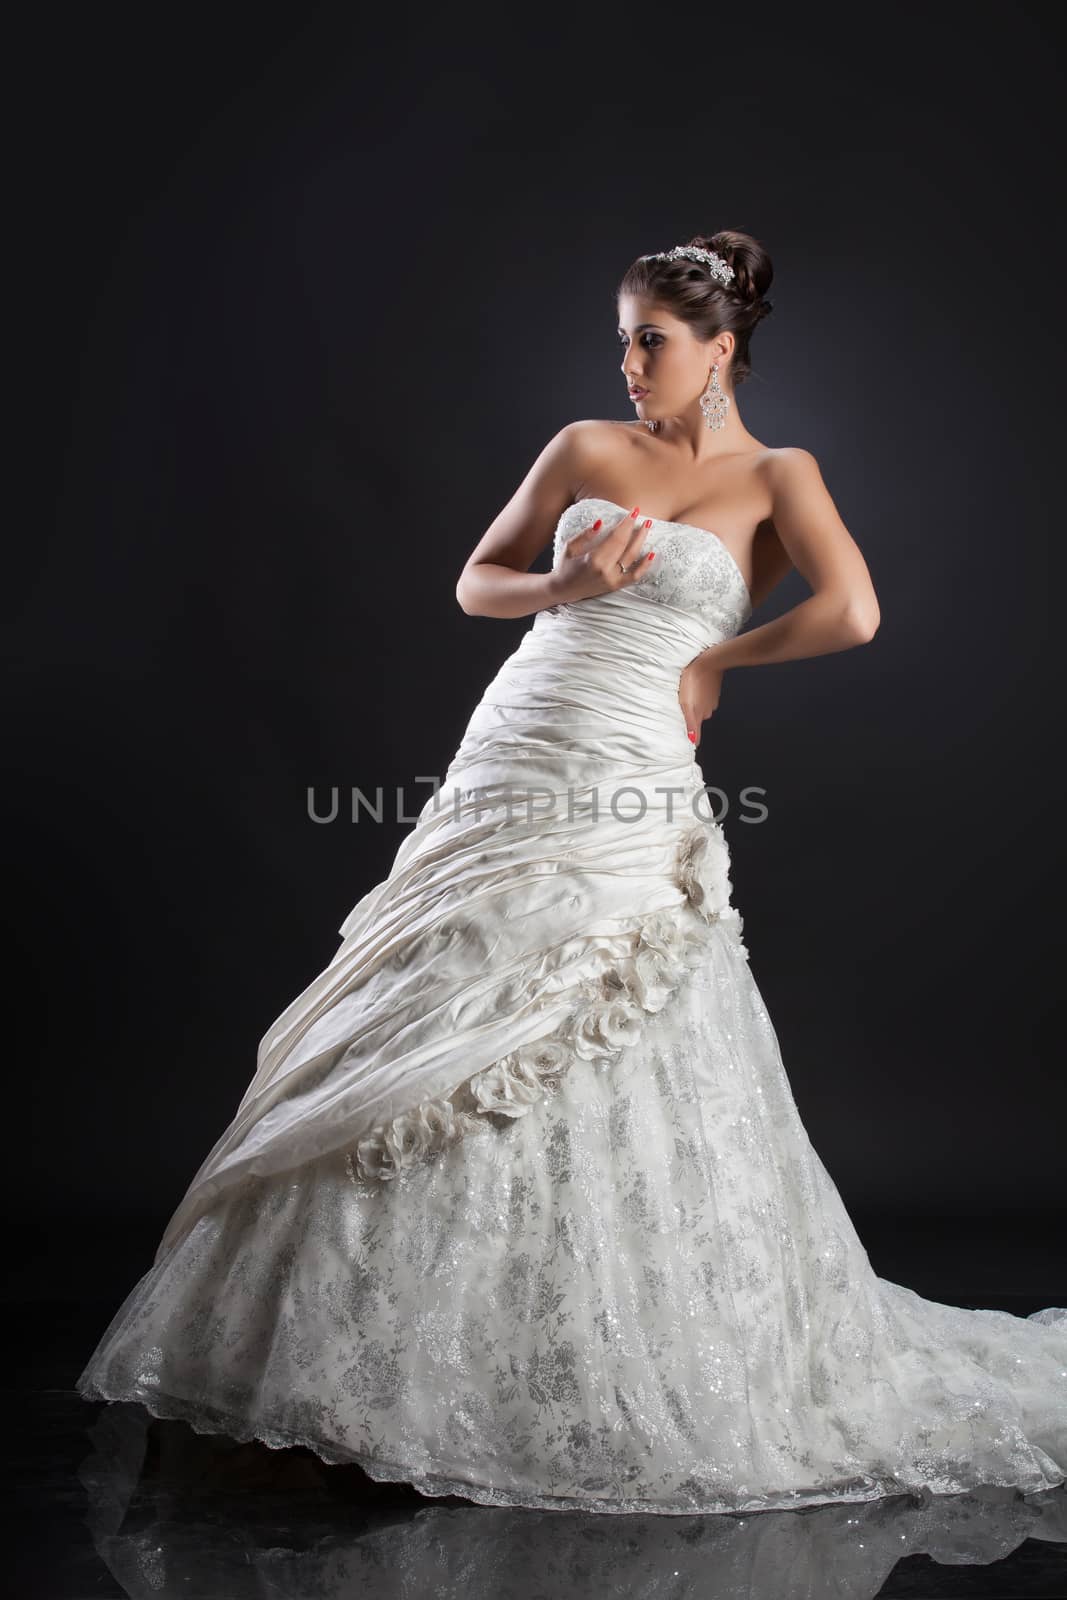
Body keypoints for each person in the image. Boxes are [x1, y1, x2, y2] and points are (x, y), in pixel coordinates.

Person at [76, 230, 1067, 1516]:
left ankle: (567, 1352)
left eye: (650, 338)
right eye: (621, 336)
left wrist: (716, 662)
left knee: (602, 1003)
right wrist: (564, 578)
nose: (628, 360)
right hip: (524, 735)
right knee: (447, 989)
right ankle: (362, 1364)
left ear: (719, 350)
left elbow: (853, 610)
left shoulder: (780, 474)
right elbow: (475, 582)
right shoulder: (584, 449)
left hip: (635, 760)